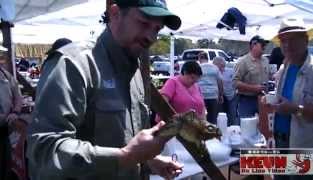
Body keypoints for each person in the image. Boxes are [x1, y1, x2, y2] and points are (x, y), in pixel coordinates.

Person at [26, 0, 183, 180]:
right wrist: (127, 156)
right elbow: (45, 150)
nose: (151, 37)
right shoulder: (74, 65)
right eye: (144, 23)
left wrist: (148, 160)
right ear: (114, 13)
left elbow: (124, 140)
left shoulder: (135, 71)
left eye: (157, 28)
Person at [270, 17, 313, 180]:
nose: (287, 45)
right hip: (280, 142)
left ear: (305, 40)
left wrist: (295, 109)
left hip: (303, 148)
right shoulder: (285, 67)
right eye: (283, 40)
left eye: (293, 39)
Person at [0, 45, 24, 179]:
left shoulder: (5, 74)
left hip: (5, 131)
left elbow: (18, 96)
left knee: (6, 166)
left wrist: (15, 111)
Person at [233, 35, 270, 118]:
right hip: (247, 100)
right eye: (262, 44)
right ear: (254, 45)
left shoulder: (265, 60)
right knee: (247, 126)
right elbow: (235, 83)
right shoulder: (243, 61)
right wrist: (253, 88)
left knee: (262, 127)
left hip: (263, 99)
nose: (264, 47)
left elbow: (269, 76)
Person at [197, 52, 223, 124]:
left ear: (199, 58)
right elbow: (220, 82)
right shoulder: (215, 67)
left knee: (201, 118)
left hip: (201, 95)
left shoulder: (198, 67)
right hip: (213, 95)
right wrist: (221, 95)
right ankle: (212, 133)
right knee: (212, 118)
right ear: (207, 58)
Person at [214, 57, 239, 125]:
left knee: (232, 114)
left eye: (222, 64)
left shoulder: (230, 71)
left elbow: (236, 81)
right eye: (220, 64)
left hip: (232, 96)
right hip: (221, 97)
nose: (222, 66)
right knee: (222, 116)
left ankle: (234, 129)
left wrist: (235, 91)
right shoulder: (215, 73)